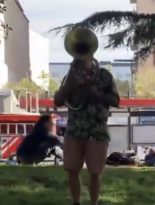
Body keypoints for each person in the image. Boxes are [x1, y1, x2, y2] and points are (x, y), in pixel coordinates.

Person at [54, 56, 119, 205]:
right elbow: (57, 101)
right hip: (74, 129)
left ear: (92, 58)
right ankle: (76, 202)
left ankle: (93, 202)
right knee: (72, 169)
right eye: (78, 58)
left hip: (97, 130)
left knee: (95, 172)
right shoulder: (70, 76)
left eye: (85, 58)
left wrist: (96, 93)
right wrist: (68, 86)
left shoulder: (104, 76)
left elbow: (115, 101)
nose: (81, 61)